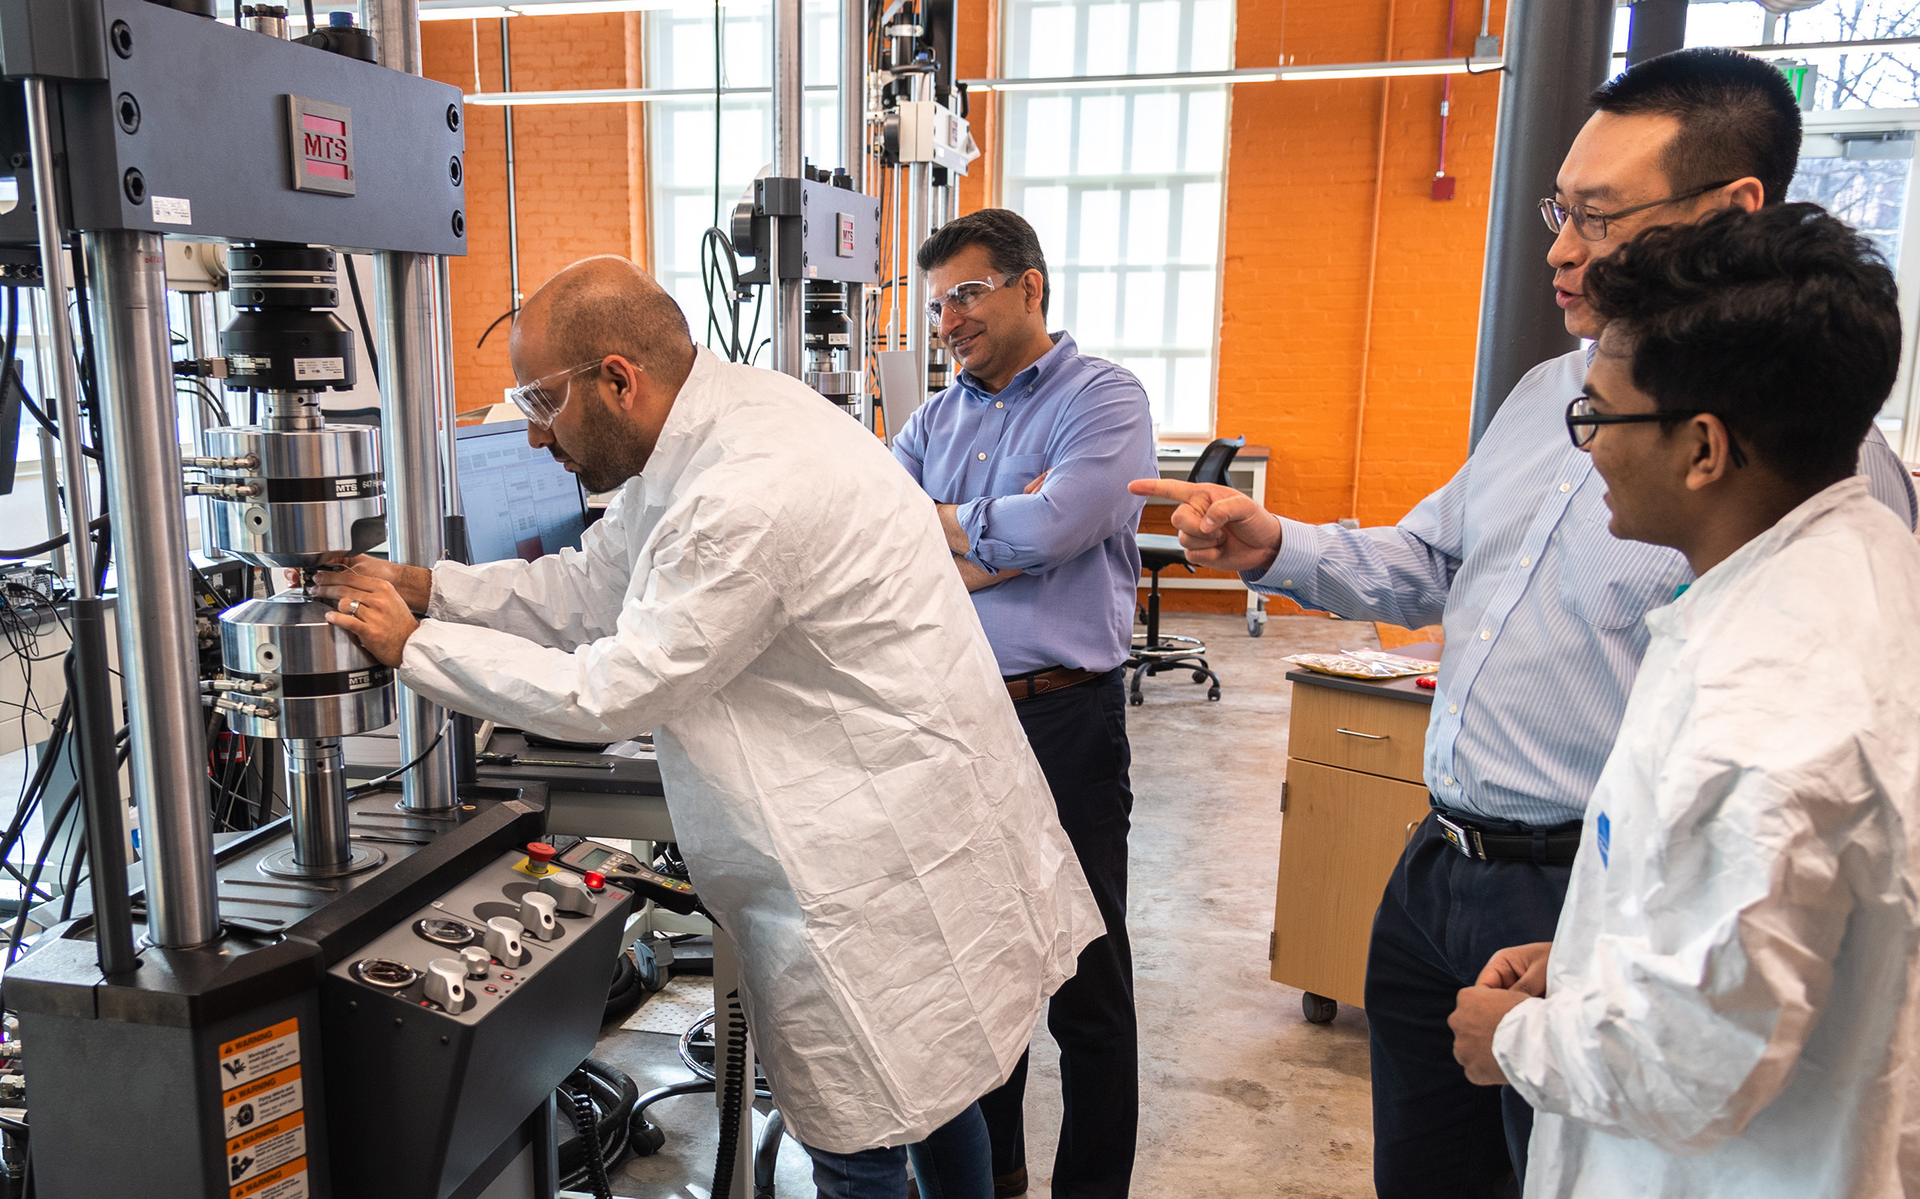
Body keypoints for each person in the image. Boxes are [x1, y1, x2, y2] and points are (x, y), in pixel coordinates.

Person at [1127, 47, 1919, 1196]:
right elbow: (1445, 558)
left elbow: (1706, 1037)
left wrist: (1556, 1004)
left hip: (1590, 886)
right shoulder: (1549, 394)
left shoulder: (1810, 503)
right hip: (1453, 865)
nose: (1558, 246)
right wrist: (1279, 547)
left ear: (1730, 213)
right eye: (1560, 207)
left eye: (1597, 215)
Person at [312, 256, 1105, 1198]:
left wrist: (416, 651)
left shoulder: (743, 492)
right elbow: (592, 583)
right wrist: (430, 588)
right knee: (937, 1092)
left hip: (864, 864)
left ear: (618, 379)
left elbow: (614, 690)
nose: (530, 433)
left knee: (863, 1139)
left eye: (541, 399)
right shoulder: (714, 426)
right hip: (907, 816)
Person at [1448, 202, 1920, 1198]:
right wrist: (1589, 955)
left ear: (1704, 447)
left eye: (1599, 418)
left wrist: (1521, 1041)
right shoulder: (1851, 568)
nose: (1587, 448)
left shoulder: (1766, 708)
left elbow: (1694, 1067)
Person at [890, 208, 1156, 1199]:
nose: (949, 321)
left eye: (967, 294)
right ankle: (991, 1179)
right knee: (979, 980)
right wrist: (1006, 534)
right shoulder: (934, 418)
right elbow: (890, 547)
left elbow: (1066, 523)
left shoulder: (1105, 397)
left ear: (1029, 285)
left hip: (1063, 721)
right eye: (937, 305)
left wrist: (960, 533)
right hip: (956, 721)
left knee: (1086, 987)